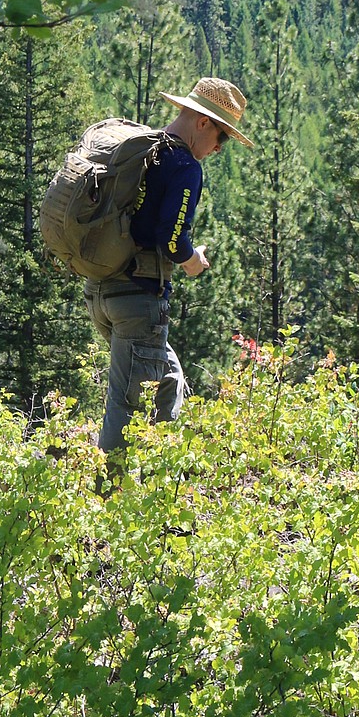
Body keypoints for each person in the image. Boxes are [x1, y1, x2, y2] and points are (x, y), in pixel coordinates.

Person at [84, 76, 254, 460]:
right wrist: (194, 261)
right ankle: (109, 500)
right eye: (222, 136)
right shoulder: (183, 165)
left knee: (168, 377)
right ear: (202, 122)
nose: (218, 148)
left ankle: (161, 476)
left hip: (100, 289)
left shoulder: (144, 149)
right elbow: (171, 239)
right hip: (138, 299)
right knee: (125, 404)